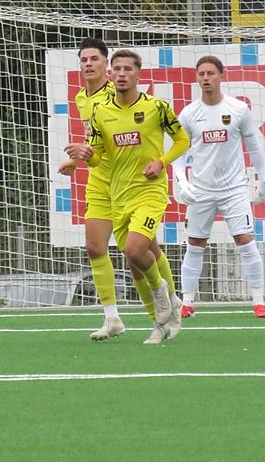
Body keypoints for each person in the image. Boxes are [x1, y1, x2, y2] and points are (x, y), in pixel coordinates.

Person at [58, 38, 181, 341]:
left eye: (94, 59)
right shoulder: (82, 98)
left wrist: (160, 162)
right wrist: (78, 159)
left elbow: (163, 137)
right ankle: (113, 317)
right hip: (101, 180)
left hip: (133, 183)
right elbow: (97, 144)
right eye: (84, 59)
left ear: (106, 65)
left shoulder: (121, 94)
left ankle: (170, 305)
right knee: (95, 247)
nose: (89, 64)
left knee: (140, 254)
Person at [171, 56, 265, 319]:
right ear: (197, 78)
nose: (206, 78)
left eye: (210, 73)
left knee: (245, 241)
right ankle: (187, 303)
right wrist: (182, 181)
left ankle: (259, 302)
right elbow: (178, 152)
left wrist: (264, 177)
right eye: (201, 74)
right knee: (195, 243)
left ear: (221, 75)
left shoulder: (238, 109)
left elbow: (254, 146)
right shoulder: (189, 114)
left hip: (234, 189)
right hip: (201, 190)